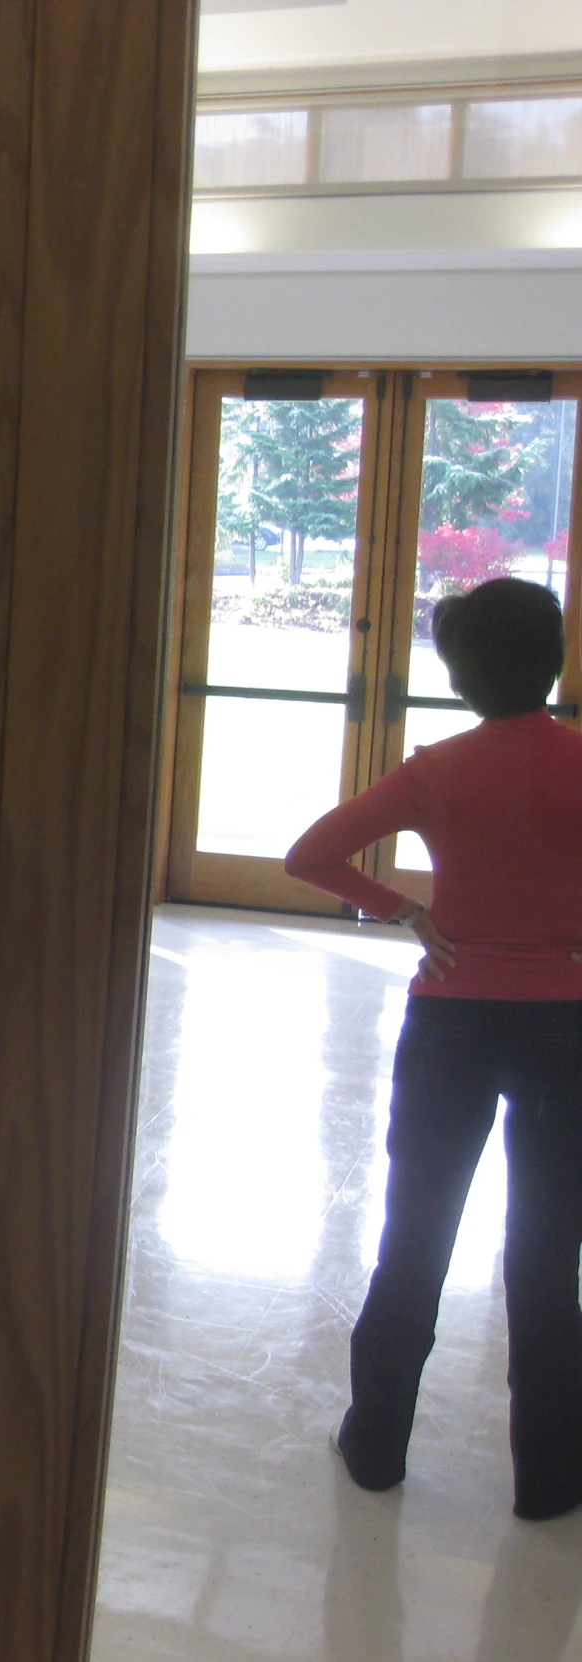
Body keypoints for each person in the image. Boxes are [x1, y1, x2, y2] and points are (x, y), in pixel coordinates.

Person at [284, 576, 582, 1523]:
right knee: (546, 1253)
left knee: (415, 1234)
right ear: (556, 661)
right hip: (568, 1028)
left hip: (451, 1022)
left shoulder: (436, 769)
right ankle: (550, 1479)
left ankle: (375, 1448)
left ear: (457, 676)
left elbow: (311, 854)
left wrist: (411, 912)